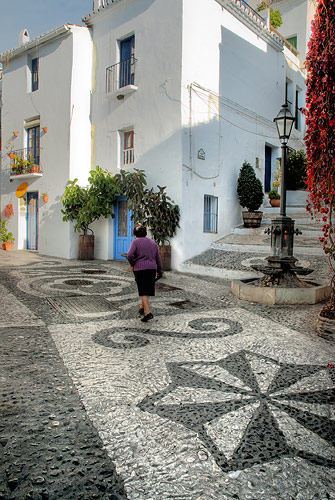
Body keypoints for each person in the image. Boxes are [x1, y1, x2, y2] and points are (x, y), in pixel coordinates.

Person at [127, 224, 163, 322]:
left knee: (143, 290)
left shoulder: (135, 242)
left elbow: (129, 255)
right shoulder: (152, 242)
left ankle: (148, 313)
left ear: (135, 233)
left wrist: (132, 263)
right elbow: (158, 258)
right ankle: (142, 306)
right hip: (151, 269)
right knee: (146, 289)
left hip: (140, 269)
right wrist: (159, 270)